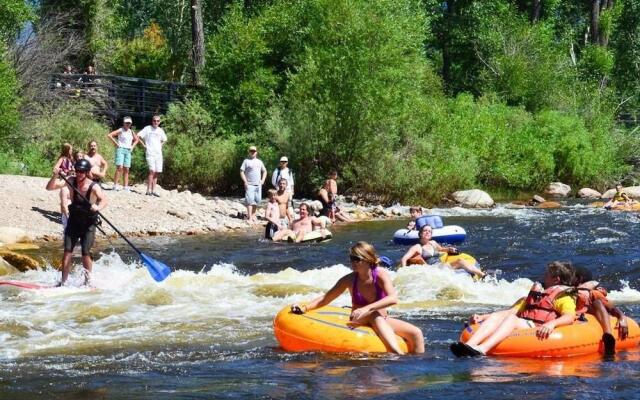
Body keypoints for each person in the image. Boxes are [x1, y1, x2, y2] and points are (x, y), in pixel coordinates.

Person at [290, 241, 425, 354]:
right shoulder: (349, 279)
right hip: (360, 318)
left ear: (368, 260)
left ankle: (418, 367)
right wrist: (305, 307)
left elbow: (393, 298)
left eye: (357, 259)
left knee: (416, 333)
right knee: (374, 315)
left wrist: (367, 308)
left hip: (381, 318)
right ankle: (397, 354)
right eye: (351, 258)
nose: (352, 262)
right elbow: (326, 298)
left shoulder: (380, 275)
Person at [451, 261, 576, 357]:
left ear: (556, 279)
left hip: (538, 328)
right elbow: (510, 311)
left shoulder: (562, 297)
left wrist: (551, 324)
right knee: (498, 316)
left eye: (547, 275)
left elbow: (569, 317)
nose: (544, 277)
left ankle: (483, 349)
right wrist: (482, 317)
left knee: (512, 319)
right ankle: (469, 345)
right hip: (526, 324)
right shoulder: (538, 293)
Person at [46, 159, 108, 286]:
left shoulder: (94, 187)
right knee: (67, 251)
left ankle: (88, 282)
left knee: (85, 252)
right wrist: (55, 176)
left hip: (88, 224)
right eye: (77, 171)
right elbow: (50, 187)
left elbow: (104, 200)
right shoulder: (70, 181)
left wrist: (98, 207)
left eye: (81, 172)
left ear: (86, 172)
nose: (78, 174)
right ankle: (63, 282)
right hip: (73, 222)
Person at [573, 267, 629, 356]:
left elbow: (612, 308)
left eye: (570, 276)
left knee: (597, 303)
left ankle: (608, 335)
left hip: (586, 317)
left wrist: (622, 317)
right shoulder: (566, 292)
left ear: (579, 279)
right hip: (572, 317)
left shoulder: (593, 293)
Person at [400, 225, 485, 278]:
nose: (427, 232)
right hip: (433, 269)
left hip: (441, 265)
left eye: (429, 231)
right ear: (420, 234)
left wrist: (449, 249)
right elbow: (404, 259)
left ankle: (482, 275)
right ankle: (478, 275)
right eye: (425, 231)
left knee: (461, 260)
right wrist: (404, 273)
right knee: (460, 262)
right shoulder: (417, 247)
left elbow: (441, 249)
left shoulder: (433, 243)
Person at [137, 115, 167, 196]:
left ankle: (154, 190)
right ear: (152, 121)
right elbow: (138, 136)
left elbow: (165, 139)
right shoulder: (147, 128)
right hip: (150, 152)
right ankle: (148, 190)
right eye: (154, 120)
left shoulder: (160, 130)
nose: (156, 122)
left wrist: (160, 145)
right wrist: (143, 145)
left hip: (158, 153)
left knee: (157, 172)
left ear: (159, 122)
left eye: (157, 121)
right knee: (152, 171)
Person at [107, 116, 139, 192]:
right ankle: (115, 185)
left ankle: (125, 186)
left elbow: (137, 140)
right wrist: (116, 144)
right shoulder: (121, 130)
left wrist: (132, 147)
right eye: (126, 123)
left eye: (129, 123)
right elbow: (110, 135)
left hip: (128, 150)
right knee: (120, 167)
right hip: (121, 149)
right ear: (124, 123)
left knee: (127, 168)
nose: (128, 124)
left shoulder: (131, 132)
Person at [240, 145, 266, 223]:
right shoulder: (246, 161)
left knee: (257, 200)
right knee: (249, 201)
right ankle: (250, 217)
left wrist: (263, 180)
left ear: (256, 152)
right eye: (251, 151)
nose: (252, 152)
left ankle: (254, 215)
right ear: (249, 152)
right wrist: (245, 181)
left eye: (254, 151)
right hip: (249, 184)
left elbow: (264, 171)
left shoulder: (260, 161)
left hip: (258, 185)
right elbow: (241, 171)